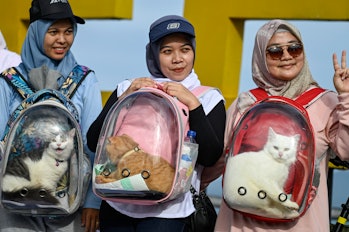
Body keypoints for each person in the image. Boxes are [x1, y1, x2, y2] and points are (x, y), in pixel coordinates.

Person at [87, 15, 226, 232]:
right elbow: (94, 141)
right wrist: (124, 98)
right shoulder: (127, 87)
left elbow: (210, 157)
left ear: (194, 52)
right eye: (167, 51)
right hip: (117, 201)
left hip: (168, 212)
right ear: (153, 53)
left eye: (185, 49)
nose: (178, 59)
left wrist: (193, 104)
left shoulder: (207, 97)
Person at [214, 19, 349, 231]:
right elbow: (219, 161)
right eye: (275, 51)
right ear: (260, 56)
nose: (286, 56)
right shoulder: (245, 103)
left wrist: (346, 97)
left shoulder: (327, 102)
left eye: (295, 49)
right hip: (241, 225)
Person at [0, 0, 102, 231]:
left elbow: (93, 145)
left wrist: (93, 202)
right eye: (53, 31)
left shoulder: (85, 79)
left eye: (68, 31)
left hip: (70, 203)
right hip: (13, 200)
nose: (62, 40)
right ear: (36, 31)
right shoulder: (8, 81)